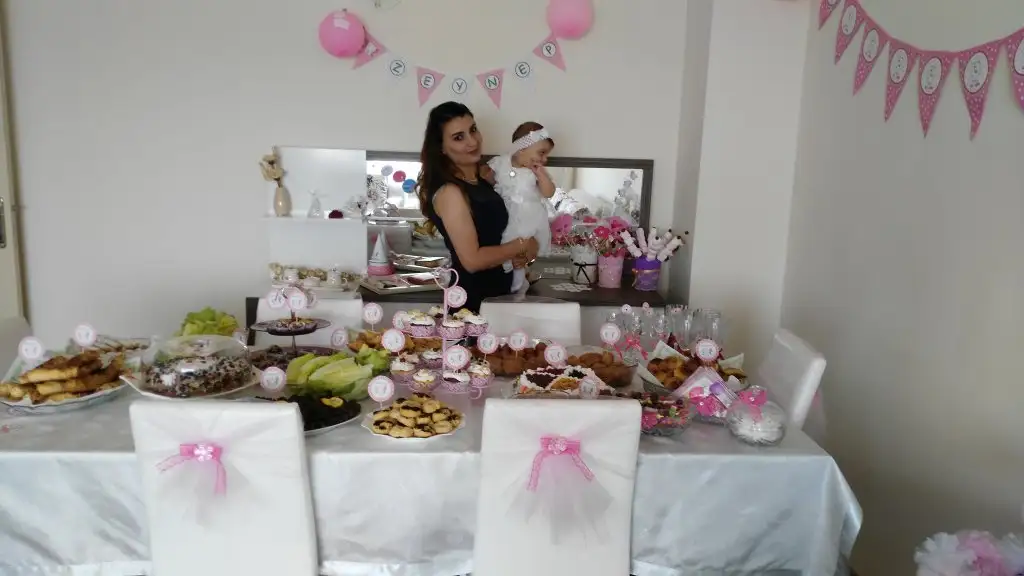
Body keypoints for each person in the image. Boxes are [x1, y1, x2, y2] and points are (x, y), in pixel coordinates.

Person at [416, 102, 539, 312]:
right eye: (458, 137)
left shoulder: (482, 180)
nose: (472, 141)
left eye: (473, 130)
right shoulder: (450, 192)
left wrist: (524, 252)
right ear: (441, 147)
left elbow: (499, 235)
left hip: (499, 297)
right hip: (472, 303)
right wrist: (520, 245)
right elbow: (472, 260)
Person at [486, 122, 556, 293]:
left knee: (521, 254)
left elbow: (548, 193)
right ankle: (512, 282)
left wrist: (541, 175)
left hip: (528, 218)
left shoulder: (536, 171)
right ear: (523, 147)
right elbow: (485, 185)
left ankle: (519, 283)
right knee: (505, 247)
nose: (544, 159)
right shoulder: (500, 163)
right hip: (506, 215)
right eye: (542, 153)